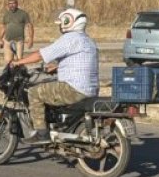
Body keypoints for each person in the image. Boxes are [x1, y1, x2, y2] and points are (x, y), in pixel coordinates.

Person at [10, 8, 98, 145]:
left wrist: (18, 62)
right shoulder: (88, 41)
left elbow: (41, 55)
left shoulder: (69, 39)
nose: (59, 26)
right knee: (50, 84)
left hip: (74, 88)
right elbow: (81, 63)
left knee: (34, 93)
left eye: (61, 22)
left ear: (68, 22)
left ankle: (41, 133)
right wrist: (57, 67)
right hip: (91, 89)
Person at [0, 0, 34, 65]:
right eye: (10, 4)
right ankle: (10, 75)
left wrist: (31, 39)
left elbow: (29, 26)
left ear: (17, 4)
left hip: (19, 41)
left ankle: (19, 74)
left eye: (13, 3)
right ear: (8, 5)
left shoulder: (23, 14)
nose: (12, 5)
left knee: (19, 60)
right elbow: (3, 27)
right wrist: (0, 39)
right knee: (8, 61)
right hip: (7, 40)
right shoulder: (6, 14)